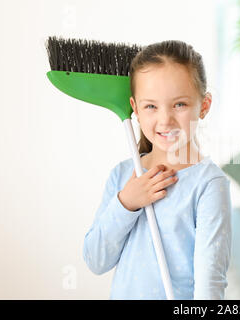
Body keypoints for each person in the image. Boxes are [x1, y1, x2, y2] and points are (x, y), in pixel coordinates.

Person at [83, 40, 232, 300]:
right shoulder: (122, 175)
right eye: (151, 106)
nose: (165, 119)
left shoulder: (208, 183)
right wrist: (127, 203)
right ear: (136, 109)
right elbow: (96, 260)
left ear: (204, 106)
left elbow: (210, 280)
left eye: (179, 105)